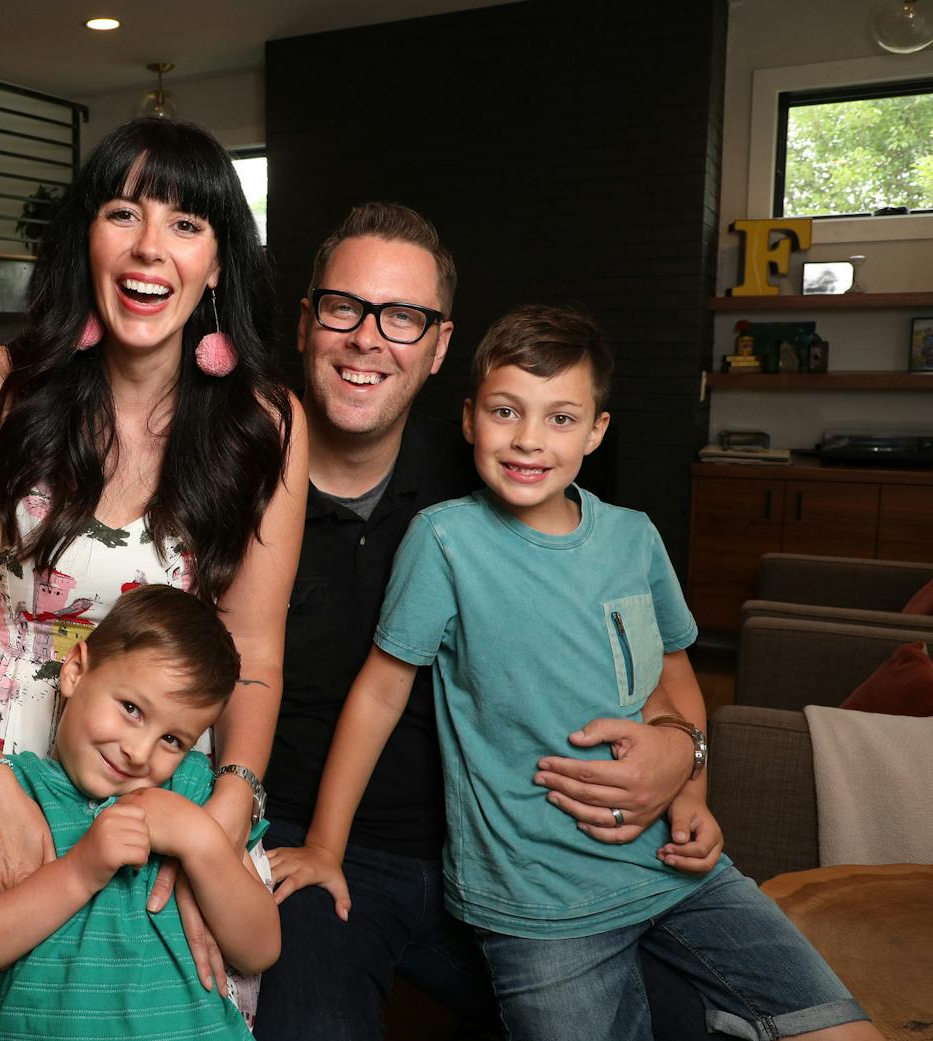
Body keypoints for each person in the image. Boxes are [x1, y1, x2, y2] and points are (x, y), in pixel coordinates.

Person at [302, 304, 876, 1040]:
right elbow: (381, 692)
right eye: (507, 411)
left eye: (561, 418)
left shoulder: (634, 538)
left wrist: (693, 794)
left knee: (840, 1025)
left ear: (597, 431)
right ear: (472, 419)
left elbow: (675, 680)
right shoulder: (445, 541)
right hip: (539, 906)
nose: (529, 440)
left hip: (675, 870)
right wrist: (324, 845)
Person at [0, 116, 307, 1040]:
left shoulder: (265, 422)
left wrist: (222, 818)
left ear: (219, 264)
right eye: (124, 212)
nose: (150, 246)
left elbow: (257, 648)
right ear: (88, 237)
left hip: (173, 780)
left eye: (188, 224)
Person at [257, 204, 711, 1041]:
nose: (367, 339)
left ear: (438, 346)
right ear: (305, 323)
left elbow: (639, 646)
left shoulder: (499, 478)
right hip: (319, 843)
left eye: (403, 317)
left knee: (690, 1022)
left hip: (516, 847)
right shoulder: (238, 480)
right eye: (343, 307)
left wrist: (683, 752)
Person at [0, 586, 280, 1040]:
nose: (139, 752)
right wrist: (79, 873)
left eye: (173, 740)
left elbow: (261, 948)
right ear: (75, 671)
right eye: (131, 709)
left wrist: (199, 840)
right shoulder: (11, 800)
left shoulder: (192, 791)